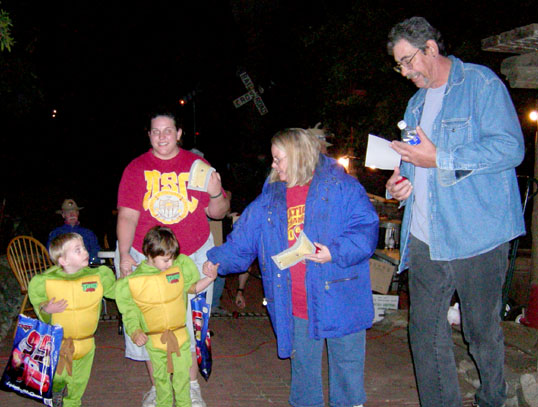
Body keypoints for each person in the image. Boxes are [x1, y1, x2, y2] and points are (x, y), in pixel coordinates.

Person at [385, 17, 525, 407]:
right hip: (427, 234)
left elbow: (510, 149)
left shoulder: (480, 85)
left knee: (479, 331)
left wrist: (441, 157)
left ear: (431, 48)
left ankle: (491, 398)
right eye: (399, 65)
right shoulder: (414, 105)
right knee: (424, 331)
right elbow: (416, 164)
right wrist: (399, 185)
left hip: (477, 233)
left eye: (409, 61)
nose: (405, 72)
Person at [204, 128, 379, 407]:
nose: (273, 165)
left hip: (341, 299)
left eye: (278, 158)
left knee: (347, 373)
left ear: (298, 156)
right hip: (295, 303)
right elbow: (243, 240)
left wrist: (335, 252)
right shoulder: (271, 198)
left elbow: (366, 231)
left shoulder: (342, 187)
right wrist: (215, 260)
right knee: (304, 376)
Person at [115, 111, 230, 407]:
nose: (162, 136)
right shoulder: (136, 168)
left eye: (168, 130)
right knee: (150, 322)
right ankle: (158, 387)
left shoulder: (198, 166)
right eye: (156, 131)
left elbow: (218, 212)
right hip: (147, 259)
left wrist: (216, 194)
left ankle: (190, 387)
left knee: (191, 325)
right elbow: (128, 215)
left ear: (179, 133)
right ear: (149, 135)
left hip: (193, 254)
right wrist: (125, 254)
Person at [115, 226, 217, 407]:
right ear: (149, 254)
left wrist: (209, 279)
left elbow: (192, 288)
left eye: (172, 259)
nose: (170, 264)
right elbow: (129, 311)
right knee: (161, 380)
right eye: (165, 260)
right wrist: (135, 331)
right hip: (155, 341)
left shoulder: (178, 268)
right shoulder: (134, 280)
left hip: (180, 337)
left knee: (182, 378)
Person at [28, 233, 115, 407]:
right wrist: (46, 309)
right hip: (61, 343)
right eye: (77, 250)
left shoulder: (97, 276)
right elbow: (38, 303)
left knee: (80, 381)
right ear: (63, 261)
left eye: (83, 247)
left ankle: (72, 403)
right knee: (60, 375)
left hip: (87, 342)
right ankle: (57, 388)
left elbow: (116, 292)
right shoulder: (47, 281)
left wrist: (132, 280)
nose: (84, 251)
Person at [48, 199, 101, 264]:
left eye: (74, 211)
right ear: (63, 215)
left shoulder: (88, 233)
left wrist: (89, 262)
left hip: (85, 268)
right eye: (68, 212)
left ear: (78, 213)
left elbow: (96, 252)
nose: (71, 214)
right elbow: (51, 254)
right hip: (63, 269)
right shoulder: (55, 234)